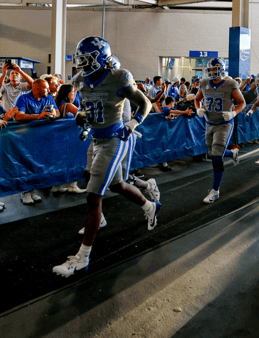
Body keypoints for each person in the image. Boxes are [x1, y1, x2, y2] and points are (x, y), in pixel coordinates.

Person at [52, 36, 159, 278]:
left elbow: (145, 103)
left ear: (100, 57)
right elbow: (88, 106)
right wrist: (81, 113)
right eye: (80, 58)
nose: (81, 63)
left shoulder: (118, 77)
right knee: (117, 185)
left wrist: (131, 125)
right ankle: (150, 205)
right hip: (95, 139)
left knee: (93, 197)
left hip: (114, 139)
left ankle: (82, 258)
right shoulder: (80, 80)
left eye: (85, 58)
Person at [194, 58, 245, 203]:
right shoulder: (204, 83)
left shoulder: (230, 84)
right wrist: (198, 108)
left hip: (224, 123)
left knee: (216, 155)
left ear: (222, 70)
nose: (212, 72)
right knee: (212, 152)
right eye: (210, 70)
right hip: (209, 123)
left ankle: (215, 191)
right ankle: (232, 153)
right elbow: (197, 99)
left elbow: (242, 102)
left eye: (215, 70)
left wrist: (233, 113)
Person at [14, 78, 59, 204]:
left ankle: (32, 190)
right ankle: (25, 192)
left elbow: (58, 112)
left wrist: (53, 115)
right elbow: (18, 116)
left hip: (43, 138)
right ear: (37, 89)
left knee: (38, 164)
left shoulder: (49, 97)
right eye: (46, 87)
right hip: (27, 138)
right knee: (27, 164)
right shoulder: (23, 98)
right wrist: (38, 117)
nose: (49, 90)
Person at [51, 83, 87, 194]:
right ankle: (72, 185)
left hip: (60, 138)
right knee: (73, 161)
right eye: (74, 92)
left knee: (60, 162)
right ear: (68, 93)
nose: (75, 94)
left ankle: (57, 186)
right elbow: (83, 115)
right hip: (69, 138)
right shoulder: (68, 105)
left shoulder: (58, 103)